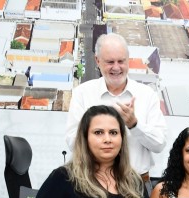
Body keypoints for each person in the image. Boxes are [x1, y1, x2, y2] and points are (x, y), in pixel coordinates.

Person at [66, 33, 167, 181]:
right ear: (97, 61)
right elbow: (72, 142)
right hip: (93, 182)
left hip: (136, 181)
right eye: (110, 62)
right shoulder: (82, 93)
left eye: (121, 61)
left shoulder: (147, 94)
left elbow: (159, 144)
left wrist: (134, 125)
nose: (116, 67)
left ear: (128, 60)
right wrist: (99, 132)